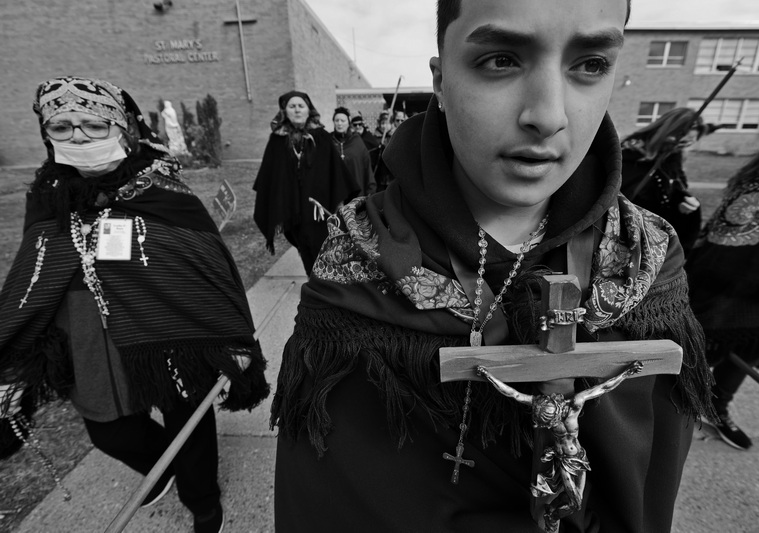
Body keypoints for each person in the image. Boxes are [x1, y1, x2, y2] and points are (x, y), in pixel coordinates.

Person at [270, 2, 714, 532]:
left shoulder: (646, 256)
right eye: (502, 59)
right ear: (439, 78)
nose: (548, 116)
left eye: (591, 63)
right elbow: (329, 494)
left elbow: (651, 476)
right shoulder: (359, 254)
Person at [0, 76, 269, 533]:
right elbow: (35, 270)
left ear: (122, 127)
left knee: (189, 419)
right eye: (62, 126)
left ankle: (202, 501)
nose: (78, 135)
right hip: (88, 329)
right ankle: (162, 469)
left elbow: (209, 264)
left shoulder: (163, 191)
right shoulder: (46, 197)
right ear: (47, 134)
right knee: (108, 430)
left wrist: (231, 336)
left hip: (172, 328)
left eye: (92, 124)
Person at [685, 122, 759, 451]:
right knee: (729, 339)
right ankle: (707, 405)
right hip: (747, 279)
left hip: (753, 278)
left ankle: (713, 405)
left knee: (742, 343)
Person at [252, 90, 360, 275]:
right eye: (292, 106)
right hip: (294, 213)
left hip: (320, 213)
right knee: (306, 253)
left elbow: (337, 173)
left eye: (301, 106)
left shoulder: (322, 137)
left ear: (308, 110)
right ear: (284, 111)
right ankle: (315, 287)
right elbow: (269, 176)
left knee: (325, 256)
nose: (297, 110)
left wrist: (339, 205)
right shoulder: (277, 140)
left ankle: (325, 288)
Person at [620, 107, 707, 252]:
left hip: (654, 238)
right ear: (664, 131)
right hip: (625, 237)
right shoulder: (628, 155)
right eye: (680, 141)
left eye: (688, 143)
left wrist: (682, 204)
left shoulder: (672, 158)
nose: (681, 147)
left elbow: (674, 189)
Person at [331, 107, 376, 196]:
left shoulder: (357, 141)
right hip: (335, 194)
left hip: (356, 193)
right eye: (337, 120)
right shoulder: (329, 141)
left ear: (348, 123)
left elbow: (366, 167)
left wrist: (370, 189)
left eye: (342, 121)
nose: (339, 123)